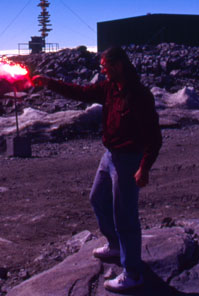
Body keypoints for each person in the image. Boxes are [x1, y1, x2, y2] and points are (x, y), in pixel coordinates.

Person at [32, 46, 162, 293]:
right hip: (109, 156)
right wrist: (49, 82)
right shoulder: (109, 89)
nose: (102, 71)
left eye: (105, 66)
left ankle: (133, 273)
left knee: (125, 216)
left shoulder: (139, 95)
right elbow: (80, 92)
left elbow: (154, 137)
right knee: (98, 200)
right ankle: (114, 244)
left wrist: (144, 167)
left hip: (128, 160)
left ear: (118, 65)